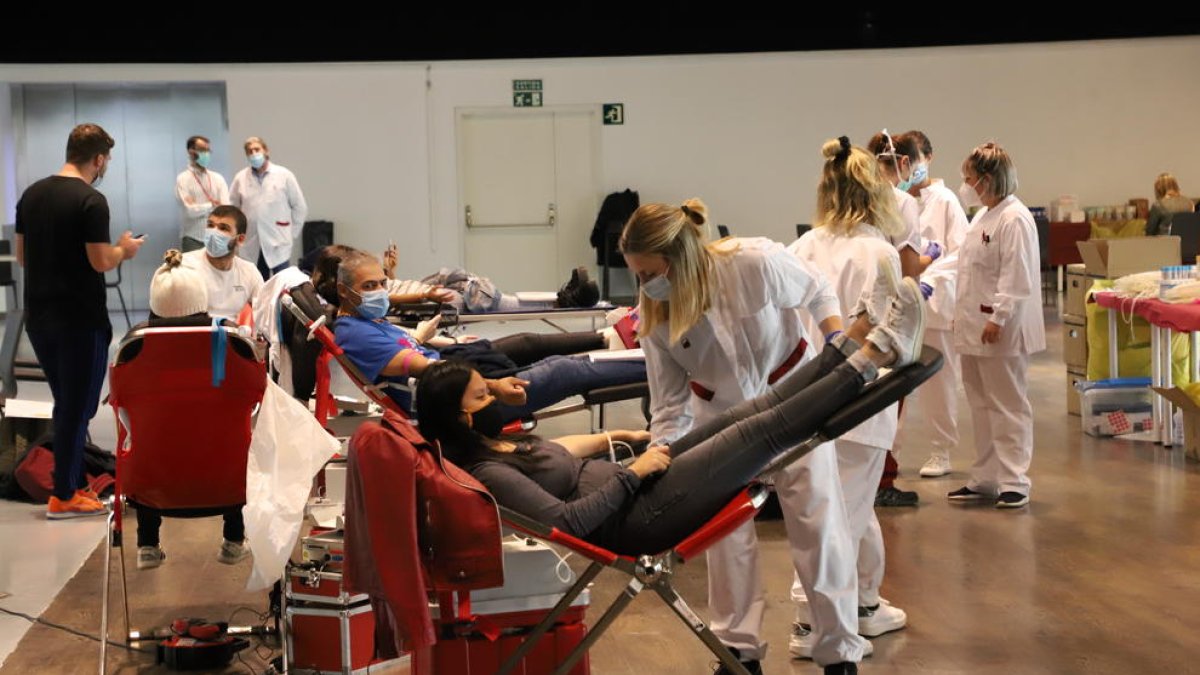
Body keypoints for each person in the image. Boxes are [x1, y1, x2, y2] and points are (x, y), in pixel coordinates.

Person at [415, 277, 926, 675]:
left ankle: (851, 342)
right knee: (766, 434)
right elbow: (569, 523)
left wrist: (609, 441)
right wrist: (631, 475)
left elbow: (554, 455)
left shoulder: (491, 441)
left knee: (747, 413)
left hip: (637, 488)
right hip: (638, 518)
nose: (497, 394)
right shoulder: (485, 472)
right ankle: (875, 356)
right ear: (460, 418)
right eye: (482, 394)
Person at [621, 197, 890, 674]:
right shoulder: (655, 315)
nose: (645, 285)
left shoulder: (753, 262)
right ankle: (738, 651)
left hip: (792, 401)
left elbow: (817, 289)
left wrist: (833, 338)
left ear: (679, 256)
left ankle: (838, 652)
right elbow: (667, 404)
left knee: (818, 526)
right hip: (721, 422)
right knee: (726, 539)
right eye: (638, 275)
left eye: (650, 273)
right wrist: (664, 453)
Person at [788, 136, 914, 652]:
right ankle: (810, 617)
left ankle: (865, 601)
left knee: (840, 506)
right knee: (840, 515)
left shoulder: (802, 246)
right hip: (862, 398)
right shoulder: (881, 251)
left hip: (805, 395)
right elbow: (891, 330)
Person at [331, 250, 645, 421]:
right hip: (453, 404)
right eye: (369, 287)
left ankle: (609, 337)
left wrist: (435, 341)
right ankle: (652, 361)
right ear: (343, 292)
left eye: (381, 283)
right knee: (563, 369)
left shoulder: (366, 320)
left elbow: (412, 354)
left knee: (527, 342)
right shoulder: (356, 334)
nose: (380, 292)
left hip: (448, 380)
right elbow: (425, 368)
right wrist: (491, 386)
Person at [15, 123, 145, 520]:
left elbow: (22, 256)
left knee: (67, 405)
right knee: (76, 408)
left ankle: (69, 482)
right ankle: (64, 494)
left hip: (39, 318)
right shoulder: (91, 200)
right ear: (100, 159)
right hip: (80, 319)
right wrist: (124, 249)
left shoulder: (31, 194)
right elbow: (100, 261)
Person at [134, 250, 250, 568]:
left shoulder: (135, 348)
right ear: (203, 300)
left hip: (153, 483)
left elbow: (122, 406)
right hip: (226, 481)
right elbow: (256, 397)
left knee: (148, 442)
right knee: (234, 440)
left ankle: (147, 542)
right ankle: (234, 538)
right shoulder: (233, 343)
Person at [949, 142, 1046, 509]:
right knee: (980, 404)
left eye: (969, 178)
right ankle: (985, 477)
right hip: (974, 326)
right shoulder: (982, 216)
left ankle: (1014, 480)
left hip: (999, 328)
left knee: (1007, 404)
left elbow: (1015, 275)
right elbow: (970, 272)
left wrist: (998, 316)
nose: (965, 185)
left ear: (987, 180)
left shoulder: (1014, 217)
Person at [864, 129, 931, 507]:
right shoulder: (902, 202)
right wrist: (930, 259)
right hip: (889, 314)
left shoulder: (856, 201)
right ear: (903, 162)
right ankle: (883, 479)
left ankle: (868, 476)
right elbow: (908, 269)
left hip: (856, 313)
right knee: (889, 399)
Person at [899, 129, 969, 478]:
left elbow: (959, 254)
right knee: (891, 382)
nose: (910, 168)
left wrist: (928, 279)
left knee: (937, 382)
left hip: (934, 302)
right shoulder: (895, 200)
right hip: (899, 302)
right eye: (904, 162)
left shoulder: (945, 201)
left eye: (915, 160)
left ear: (929, 157)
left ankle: (941, 449)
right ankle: (888, 453)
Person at [380, 242, 601, 310]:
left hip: (421, 294)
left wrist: (390, 270)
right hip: (422, 301)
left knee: (467, 283)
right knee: (485, 297)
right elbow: (384, 300)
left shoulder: (364, 288)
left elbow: (389, 289)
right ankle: (566, 301)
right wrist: (425, 292)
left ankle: (564, 300)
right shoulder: (358, 298)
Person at [229, 136, 308, 279]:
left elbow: (299, 207)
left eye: (257, 149)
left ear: (266, 150)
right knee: (258, 285)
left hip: (279, 241)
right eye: (249, 151)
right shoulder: (240, 178)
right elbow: (232, 210)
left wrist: (292, 234)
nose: (254, 154)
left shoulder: (284, 175)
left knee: (282, 285)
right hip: (252, 242)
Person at [178, 205, 264, 320]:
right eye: (210, 225)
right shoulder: (185, 265)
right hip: (195, 332)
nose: (214, 233)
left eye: (223, 228)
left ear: (240, 239)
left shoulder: (249, 272)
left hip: (232, 334)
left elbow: (264, 313)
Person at [174, 135, 230, 249]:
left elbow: (226, 208)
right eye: (202, 150)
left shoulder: (217, 178)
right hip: (193, 238)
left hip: (217, 237)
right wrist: (212, 205)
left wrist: (200, 207)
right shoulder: (183, 179)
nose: (206, 154)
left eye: (208, 150)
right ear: (191, 152)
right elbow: (190, 211)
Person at [1145, 172, 1195, 236]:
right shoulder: (1190, 203)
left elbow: (1149, 231)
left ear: (1159, 189)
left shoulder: (1158, 205)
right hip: (1188, 243)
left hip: (1166, 243)